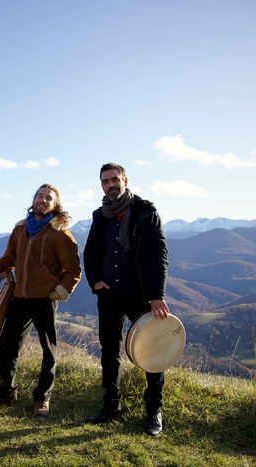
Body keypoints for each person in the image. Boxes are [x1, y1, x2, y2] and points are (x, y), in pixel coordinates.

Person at [83, 163, 169, 436]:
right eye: (105, 181)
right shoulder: (100, 216)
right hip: (109, 296)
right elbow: (90, 252)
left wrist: (156, 296)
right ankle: (111, 406)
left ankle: (154, 411)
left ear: (125, 180)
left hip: (141, 296)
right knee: (109, 352)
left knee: (153, 352)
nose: (110, 185)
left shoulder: (146, 212)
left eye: (114, 179)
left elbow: (159, 255)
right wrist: (95, 280)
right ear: (101, 185)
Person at [0, 183, 81, 417]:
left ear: (56, 204)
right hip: (19, 297)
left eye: (49, 198)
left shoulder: (60, 233)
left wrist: (61, 291)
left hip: (44, 299)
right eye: (40, 196)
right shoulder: (21, 228)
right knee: (7, 348)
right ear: (33, 199)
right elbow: (10, 257)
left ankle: (42, 398)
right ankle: (5, 391)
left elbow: (73, 270)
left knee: (49, 351)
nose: (43, 200)